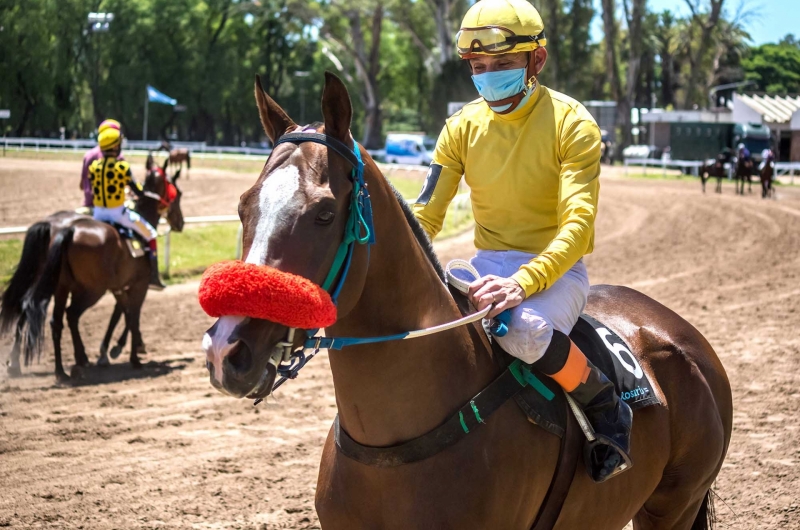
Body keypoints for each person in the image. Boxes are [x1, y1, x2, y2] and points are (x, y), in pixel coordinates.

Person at [412, 0, 631, 483]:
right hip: (484, 264)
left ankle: (606, 405)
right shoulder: (460, 127)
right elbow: (425, 215)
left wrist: (522, 284)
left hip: (555, 272)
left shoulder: (573, 123)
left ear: (538, 60)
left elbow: (578, 226)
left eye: (503, 64)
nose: (488, 77)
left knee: (524, 330)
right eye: (479, 67)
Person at [88, 127, 166, 290]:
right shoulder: (122, 167)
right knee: (151, 234)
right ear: (115, 147)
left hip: (97, 214)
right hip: (117, 214)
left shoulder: (93, 167)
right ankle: (153, 276)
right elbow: (138, 191)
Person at [80, 119, 125, 209]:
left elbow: (82, 185)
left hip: (89, 205)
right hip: (112, 207)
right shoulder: (118, 157)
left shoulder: (89, 155)